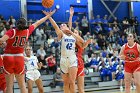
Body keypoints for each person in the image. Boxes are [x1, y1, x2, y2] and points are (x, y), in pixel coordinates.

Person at [0, 10, 56, 93]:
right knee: (22, 85)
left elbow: (1, 40)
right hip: (19, 58)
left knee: (9, 87)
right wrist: (48, 16)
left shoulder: (12, 31)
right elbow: (38, 22)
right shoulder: (27, 31)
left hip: (8, 57)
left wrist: (3, 43)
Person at [43, 10, 83, 93]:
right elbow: (55, 26)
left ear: (67, 27)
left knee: (72, 82)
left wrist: (71, 16)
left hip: (72, 59)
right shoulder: (61, 35)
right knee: (66, 83)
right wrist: (49, 17)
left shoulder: (72, 34)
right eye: (61, 26)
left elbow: (70, 24)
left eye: (64, 25)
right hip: (63, 60)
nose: (62, 26)